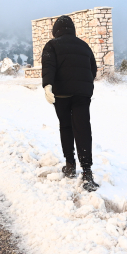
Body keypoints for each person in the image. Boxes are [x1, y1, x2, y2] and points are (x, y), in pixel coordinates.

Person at [41, 15, 99, 192]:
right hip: (82, 94)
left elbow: (49, 66)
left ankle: (70, 165)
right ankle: (87, 172)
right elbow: (93, 69)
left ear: (56, 30)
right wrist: (83, 83)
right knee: (83, 128)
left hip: (62, 95)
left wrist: (48, 86)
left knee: (66, 127)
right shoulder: (84, 45)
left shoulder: (52, 45)